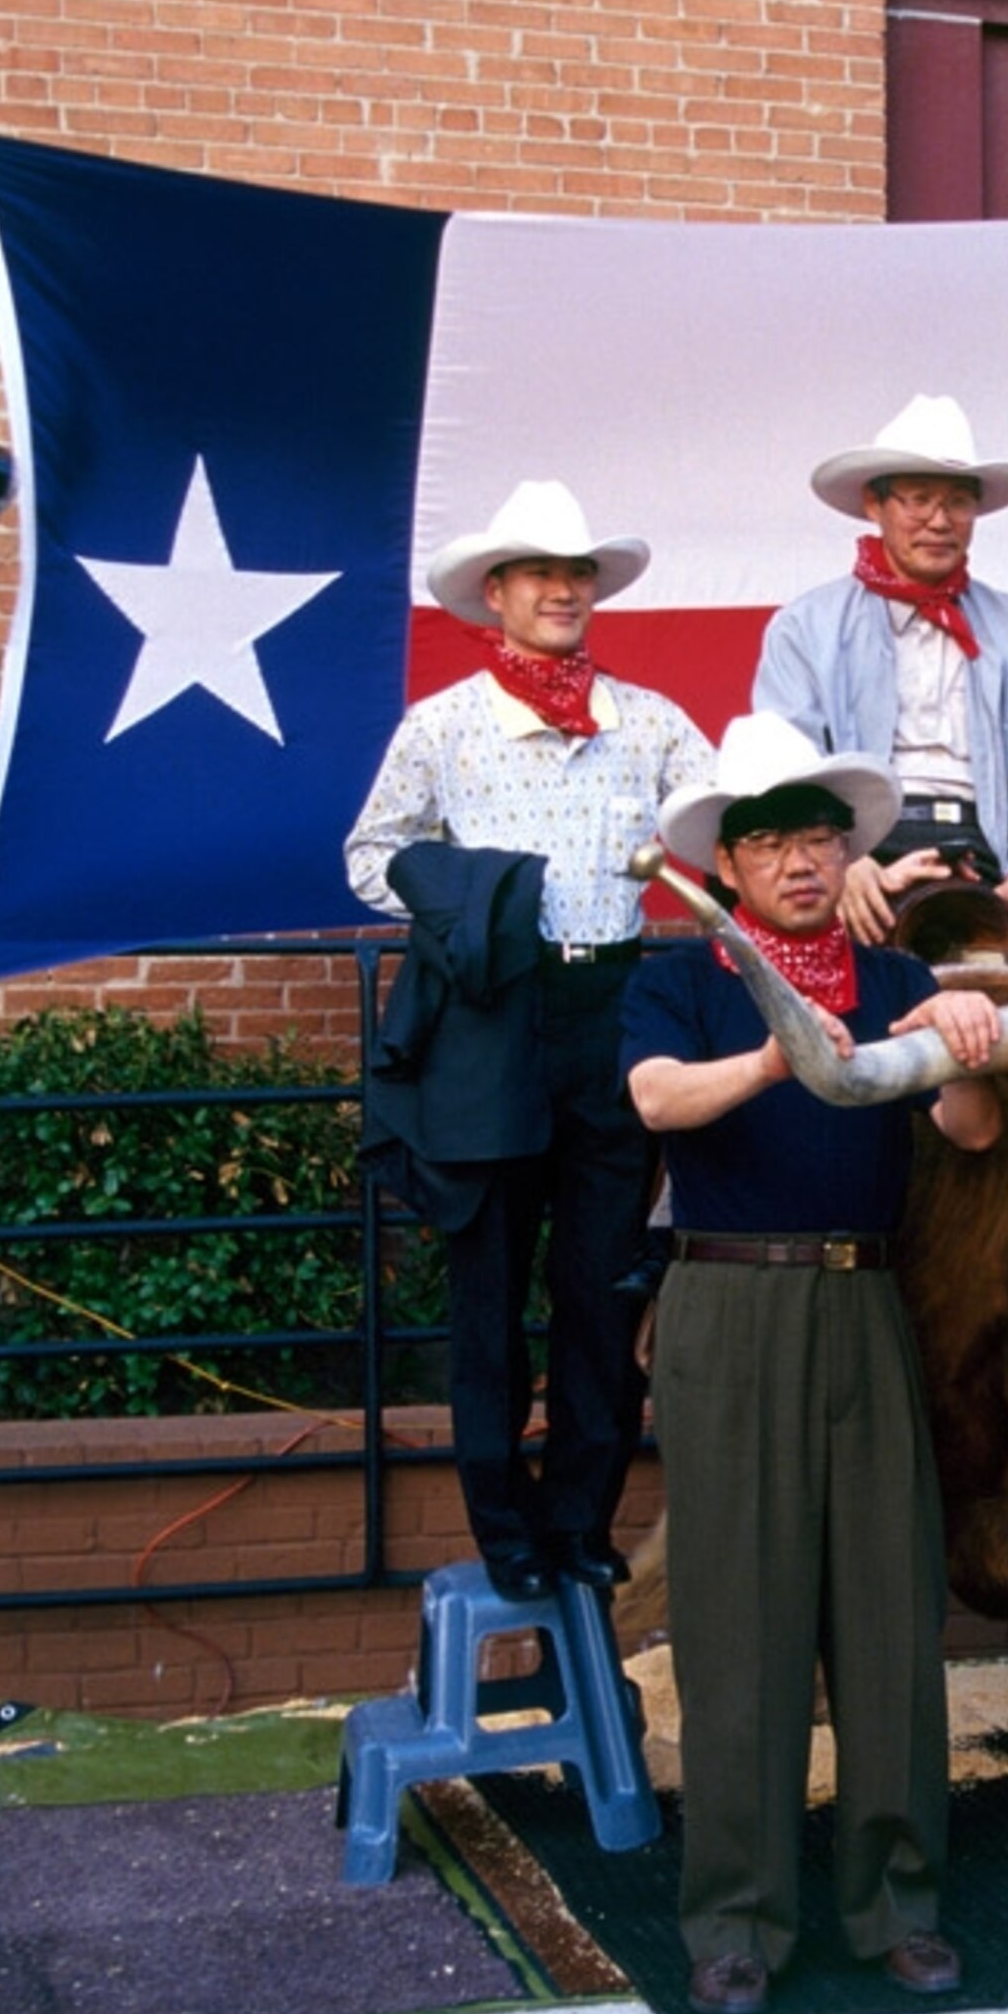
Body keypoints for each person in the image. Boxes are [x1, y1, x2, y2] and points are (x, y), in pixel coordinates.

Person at [619, 712, 1006, 2014]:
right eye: (770, 839)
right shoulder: (680, 979)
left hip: (868, 1300)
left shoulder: (894, 979)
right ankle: (737, 1918)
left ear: (848, 852)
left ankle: (898, 1903)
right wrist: (775, 1054)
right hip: (728, 1303)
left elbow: (970, 1126)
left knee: (891, 1613)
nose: (798, 859)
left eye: (818, 837)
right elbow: (656, 1099)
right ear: (727, 863)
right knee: (739, 1623)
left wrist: (963, 1027)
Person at [343, 478, 716, 1602]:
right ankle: (504, 1529)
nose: (563, 590)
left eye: (577, 573)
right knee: (490, 1284)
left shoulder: (650, 721)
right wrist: (472, 899)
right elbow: (369, 856)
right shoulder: (443, 725)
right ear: (495, 592)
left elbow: (722, 825)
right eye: (540, 573)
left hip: (613, 1005)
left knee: (603, 1285)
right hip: (491, 1015)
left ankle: (581, 1522)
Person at [754, 393, 1008, 981]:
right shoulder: (806, 626)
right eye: (918, 499)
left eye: (957, 501)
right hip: (865, 847)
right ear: (875, 504)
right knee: (814, 992)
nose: (939, 521)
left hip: (987, 851)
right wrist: (844, 862)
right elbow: (787, 765)